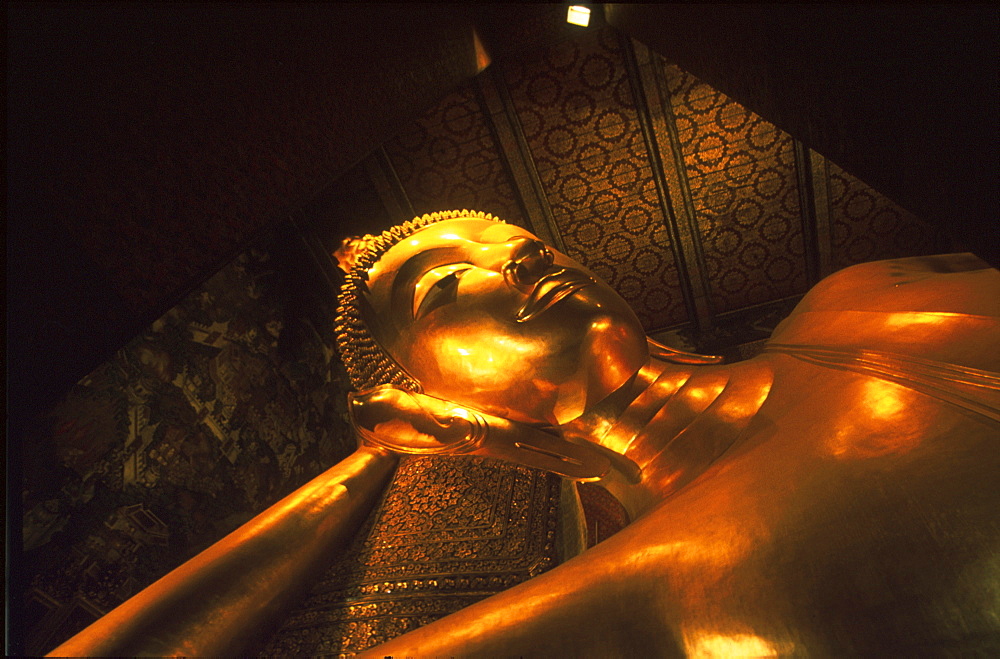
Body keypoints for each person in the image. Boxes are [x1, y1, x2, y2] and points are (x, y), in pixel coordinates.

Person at [51, 210, 1000, 656]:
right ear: (431, 405)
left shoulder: (859, 300)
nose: (522, 255)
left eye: (512, 239)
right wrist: (376, 469)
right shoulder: (652, 587)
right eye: (447, 284)